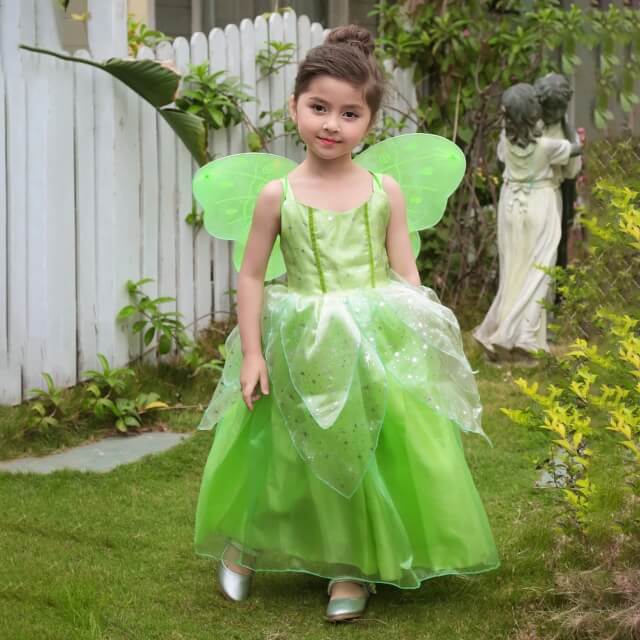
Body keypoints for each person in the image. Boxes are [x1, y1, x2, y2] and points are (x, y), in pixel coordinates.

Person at [194, 25, 499, 623]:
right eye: (319, 108)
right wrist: (252, 352)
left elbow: (405, 271)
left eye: (349, 114)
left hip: (371, 334)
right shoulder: (277, 196)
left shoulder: (384, 190)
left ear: (370, 122)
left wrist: (419, 337)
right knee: (282, 449)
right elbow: (252, 276)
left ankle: (350, 566)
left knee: (370, 446)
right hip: (301, 334)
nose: (331, 124)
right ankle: (246, 543)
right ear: (295, 108)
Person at [473, 83, 582, 357]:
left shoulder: (505, 142)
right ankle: (524, 335)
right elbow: (576, 149)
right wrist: (566, 123)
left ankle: (498, 330)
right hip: (539, 203)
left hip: (510, 204)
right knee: (539, 272)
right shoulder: (547, 146)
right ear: (535, 113)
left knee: (512, 271)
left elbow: (502, 158)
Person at [533, 73, 583, 270]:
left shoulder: (565, 130)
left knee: (555, 251)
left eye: (559, 108)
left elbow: (572, 171)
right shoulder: (529, 124)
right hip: (527, 195)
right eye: (549, 107)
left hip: (554, 196)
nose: (554, 113)